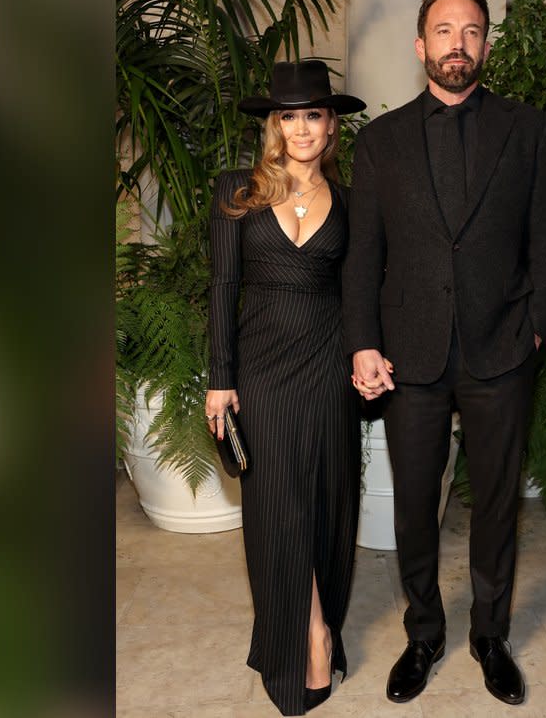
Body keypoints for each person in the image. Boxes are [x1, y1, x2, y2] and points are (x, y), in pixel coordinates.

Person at [342, 0, 546, 707]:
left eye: (471, 31)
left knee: (498, 504)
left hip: (502, 346)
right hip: (411, 354)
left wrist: (536, 324)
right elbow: (363, 258)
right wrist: (364, 343)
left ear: (486, 45)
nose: (457, 44)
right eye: (444, 31)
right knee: (414, 503)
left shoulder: (529, 131)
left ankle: (491, 636)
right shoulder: (378, 144)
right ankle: (424, 633)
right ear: (420, 46)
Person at [205, 60, 367, 716]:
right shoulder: (235, 189)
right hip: (263, 370)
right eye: (290, 115)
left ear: (332, 125)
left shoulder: (353, 202)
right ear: (276, 125)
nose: (303, 127)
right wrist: (220, 381)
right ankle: (311, 635)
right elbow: (222, 288)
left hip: (327, 365)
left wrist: (368, 356)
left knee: (324, 503)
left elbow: (360, 291)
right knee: (278, 507)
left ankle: (309, 624)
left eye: (316, 114)